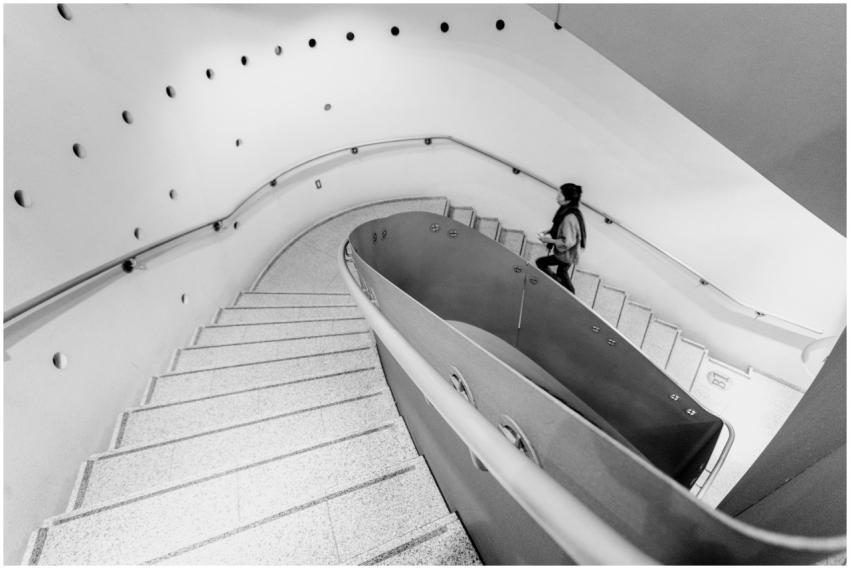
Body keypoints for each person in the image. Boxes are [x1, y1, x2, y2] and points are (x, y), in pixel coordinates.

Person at [535, 183, 586, 293]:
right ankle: (568, 292)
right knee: (562, 271)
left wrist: (547, 240)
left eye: (559, 196)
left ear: (568, 199)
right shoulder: (567, 210)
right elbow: (560, 227)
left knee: (541, 262)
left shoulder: (569, 218)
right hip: (570, 254)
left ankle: (567, 292)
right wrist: (549, 231)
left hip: (567, 254)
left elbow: (566, 242)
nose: (556, 198)